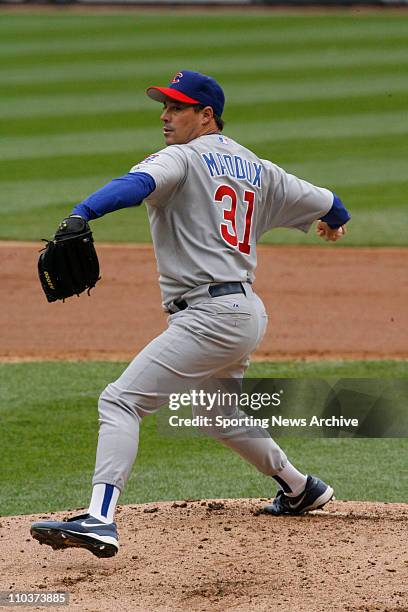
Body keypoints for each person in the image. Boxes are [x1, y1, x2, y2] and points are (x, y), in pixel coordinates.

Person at [31, 70, 350, 558]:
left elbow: (134, 183)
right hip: (244, 313)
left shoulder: (182, 156)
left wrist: (81, 213)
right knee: (216, 411)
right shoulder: (258, 167)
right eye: (165, 106)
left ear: (206, 117)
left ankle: (99, 518)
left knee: (120, 402)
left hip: (208, 317)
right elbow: (333, 203)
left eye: (177, 108)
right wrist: (333, 223)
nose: (165, 116)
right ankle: (299, 487)